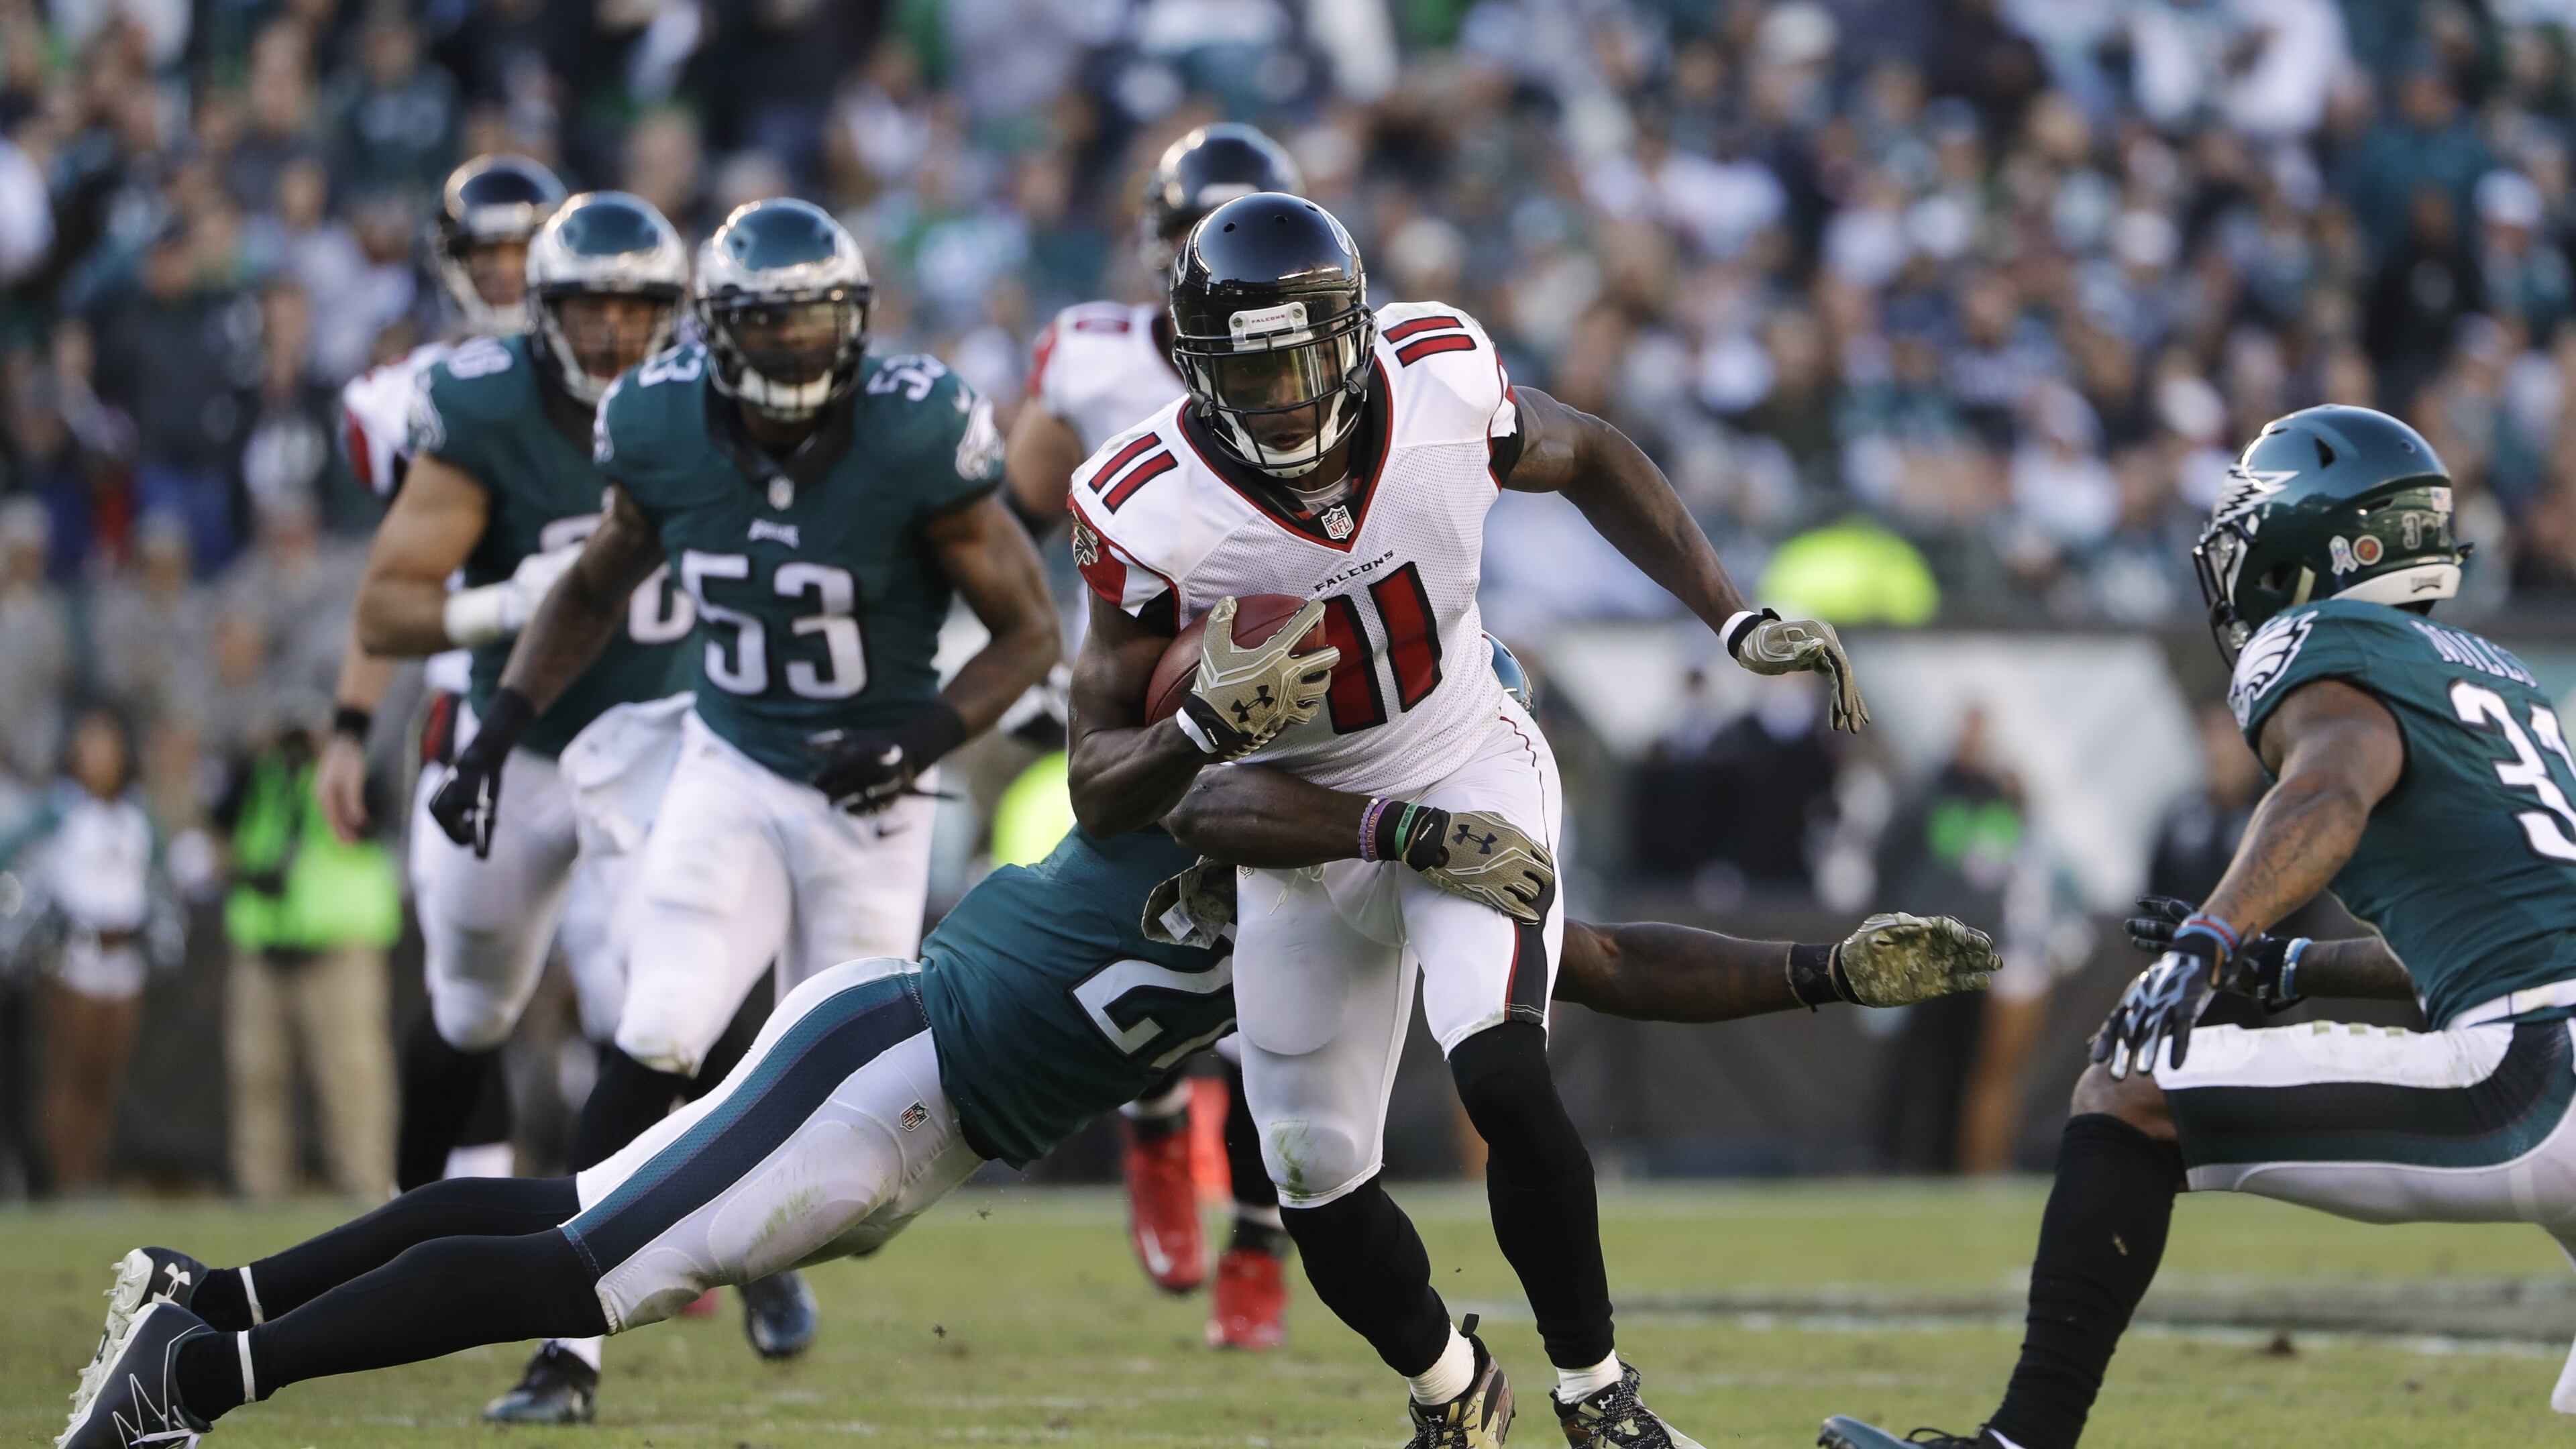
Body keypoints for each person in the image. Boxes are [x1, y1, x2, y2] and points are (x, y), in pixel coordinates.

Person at [54, 759, 1999, 1449]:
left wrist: (1819, 969)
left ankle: (206, 1302)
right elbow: (1130, 772)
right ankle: (201, 1385)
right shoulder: (1245, 763)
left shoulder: (1373, 861)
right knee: (588, 1267)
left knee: (578, 1215)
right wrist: (1285, 750)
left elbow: (1596, 957)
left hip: (931, 1109)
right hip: (891, 1061)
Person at [1062, 192, 1864, 1449]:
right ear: (1195, 368)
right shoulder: (1145, 499)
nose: (1279, 396)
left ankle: (1599, 1398)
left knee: (1498, 1062)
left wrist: (1728, 615)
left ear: (1355, 335)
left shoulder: (1436, 381)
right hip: (1300, 829)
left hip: (1463, 762)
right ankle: (1452, 1389)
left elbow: (1592, 449)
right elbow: (1099, 779)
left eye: (1301, 359)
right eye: (1247, 369)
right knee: (1315, 1180)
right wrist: (1201, 731)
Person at [1819, 405, 2576, 1449]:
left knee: (2131, 1092)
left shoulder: (2329, 642)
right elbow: (2476, 950)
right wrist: (2292, 957)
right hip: (2548, 1027)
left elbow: (2329, 792)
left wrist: (2210, 941)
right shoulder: (2499, 677)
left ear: (2328, 540)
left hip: (2542, 1075)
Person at [426, 197, 1057, 1417]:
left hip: (873, 797)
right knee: (657, 1027)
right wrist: (493, 736)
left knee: (858, 1136)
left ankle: (760, 1262)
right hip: (731, 762)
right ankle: (568, 1349)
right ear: (721, 331)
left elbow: (1031, 632)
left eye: (820, 322)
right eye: (772, 324)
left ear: (856, 323)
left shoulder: (916, 432)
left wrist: (919, 735)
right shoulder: (660, 423)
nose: (798, 349)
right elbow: (593, 588)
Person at [337, 191, 704, 1424]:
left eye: (637, 305)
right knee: (471, 1002)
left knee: (650, 1011)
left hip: (656, 738)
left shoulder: (718, 394)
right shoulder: (481, 403)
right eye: (588, 304)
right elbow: (385, 607)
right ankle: (414, 1220)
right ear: (538, 310)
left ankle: (575, 1340)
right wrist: (507, 607)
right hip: (517, 745)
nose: (611, 331)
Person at [1004, 120, 1308, 1346]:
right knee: (1142, 940)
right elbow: (1009, 516)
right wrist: (1049, 664)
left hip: (1295, 703)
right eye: (1191, 234)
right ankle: (1147, 1124)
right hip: (1146, 694)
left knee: (1280, 999)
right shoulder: (1087, 354)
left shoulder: (1330, 354)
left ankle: (1259, 1236)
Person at [217, 710, 402, 1203]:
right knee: (258, 1077)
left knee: (353, 1080)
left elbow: (377, 813)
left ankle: (368, 1193)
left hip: (339, 942)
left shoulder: (350, 765)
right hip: (265, 941)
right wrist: (249, 755)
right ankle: (261, 1194)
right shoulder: (260, 769)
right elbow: (220, 815)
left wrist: (337, 751)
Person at [0, 710, 174, 1194]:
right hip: (73, 957)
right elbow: (7, 849)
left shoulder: (138, 815)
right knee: (69, 1075)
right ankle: (64, 1178)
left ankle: (91, 1174)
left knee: (106, 1074)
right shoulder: (57, 810)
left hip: (125, 959)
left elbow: (160, 874)